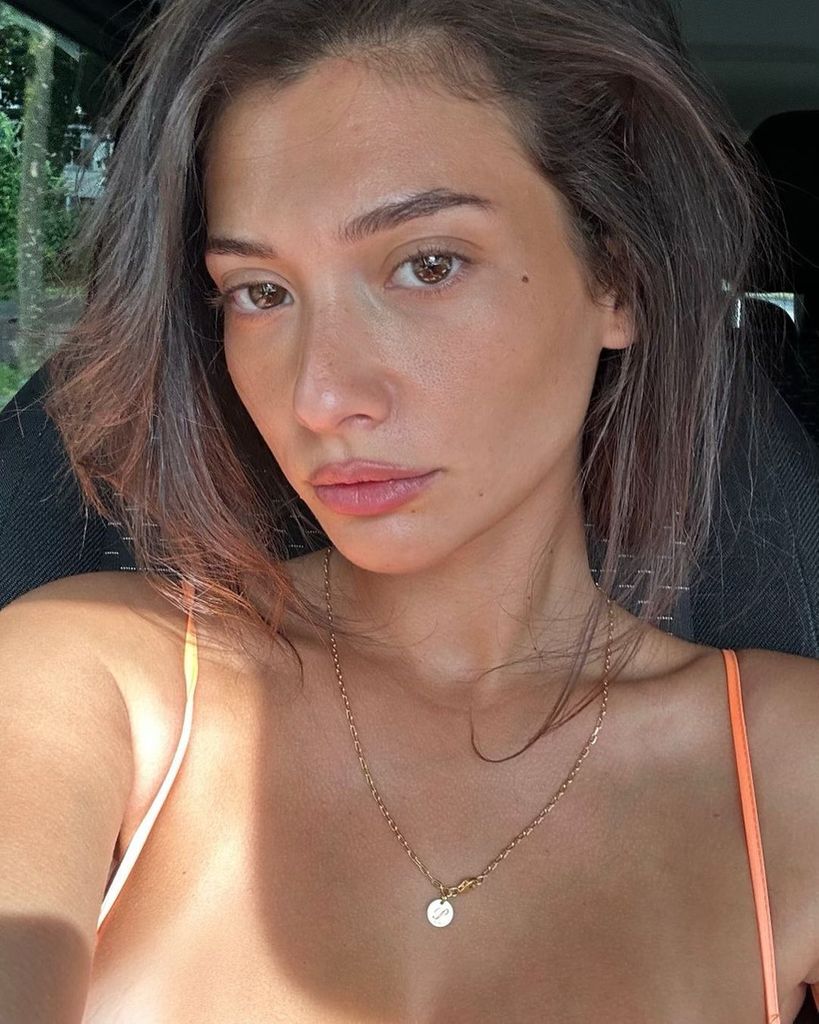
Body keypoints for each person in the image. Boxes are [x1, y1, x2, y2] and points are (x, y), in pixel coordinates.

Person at [1, 0, 818, 1020]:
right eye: (260, 291)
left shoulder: (791, 765)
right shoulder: (88, 684)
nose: (320, 397)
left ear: (618, 277)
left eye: (428, 264)